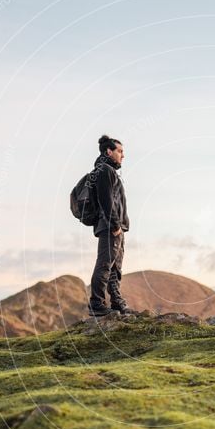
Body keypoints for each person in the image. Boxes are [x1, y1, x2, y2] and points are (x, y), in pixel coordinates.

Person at [88, 135, 135, 316]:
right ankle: (97, 304)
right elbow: (106, 201)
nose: (123, 155)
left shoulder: (108, 170)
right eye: (120, 151)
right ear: (109, 151)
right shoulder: (104, 170)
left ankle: (116, 302)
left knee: (115, 267)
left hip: (115, 228)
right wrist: (115, 225)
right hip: (110, 227)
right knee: (105, 264)